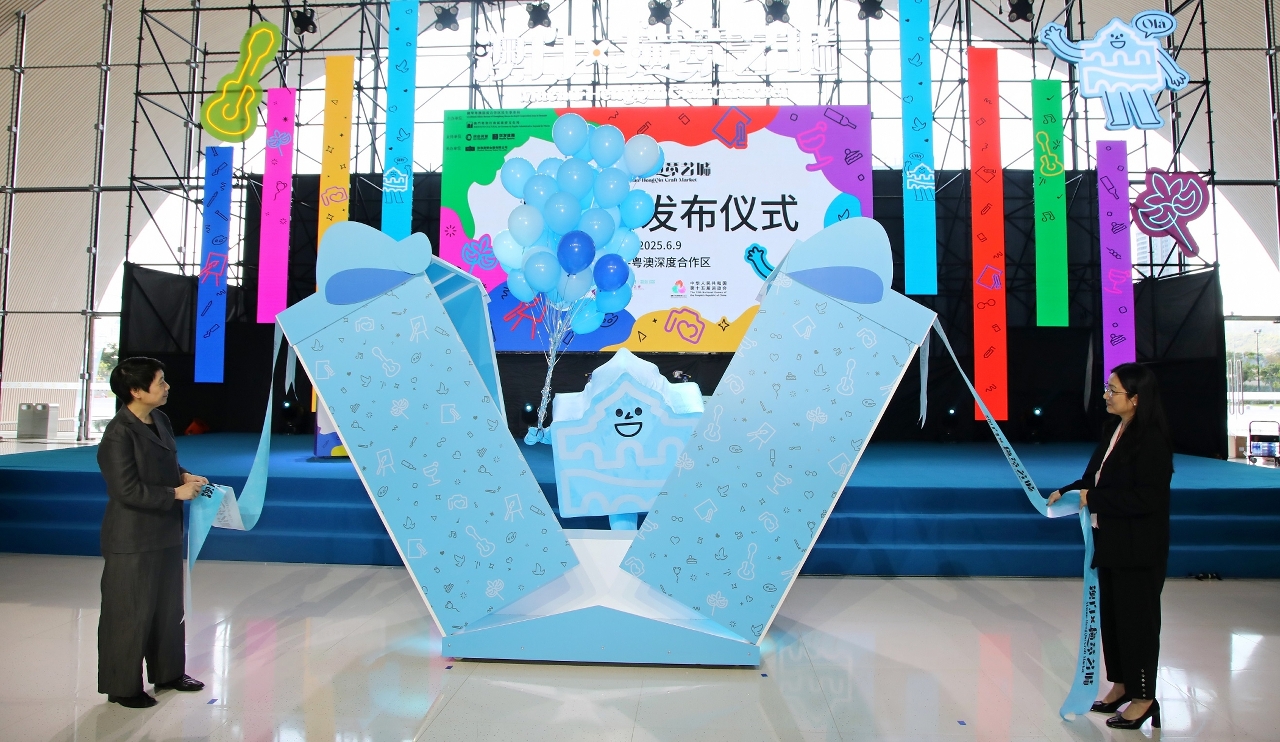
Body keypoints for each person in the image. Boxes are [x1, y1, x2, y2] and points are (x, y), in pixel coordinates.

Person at [1047, 363, 1173, 730]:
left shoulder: (1152, 440)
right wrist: (1069, 491)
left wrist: (1095, 499)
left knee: (1138, 623)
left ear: (1135, 399)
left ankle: (1144, 697)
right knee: (1114, 620)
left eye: (1112, 390)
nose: (1106, 395)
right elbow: (1095, 479)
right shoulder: (1114, 429)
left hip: (1138, 546)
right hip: (1112, 540)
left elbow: (1147, 498)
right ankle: (1121, 684)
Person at [97, 358, 207, 708]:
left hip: (165, 531)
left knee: (168, 608)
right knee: (129, 612)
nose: (167, 387)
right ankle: (122, 686)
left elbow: (165, 464)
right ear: (136, 391)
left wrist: (184, 476)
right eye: (160, 382)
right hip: (132, 537)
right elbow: (126, 489)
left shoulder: (160, 419)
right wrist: (175, 493)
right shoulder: (118, 434)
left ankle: (169, 672)